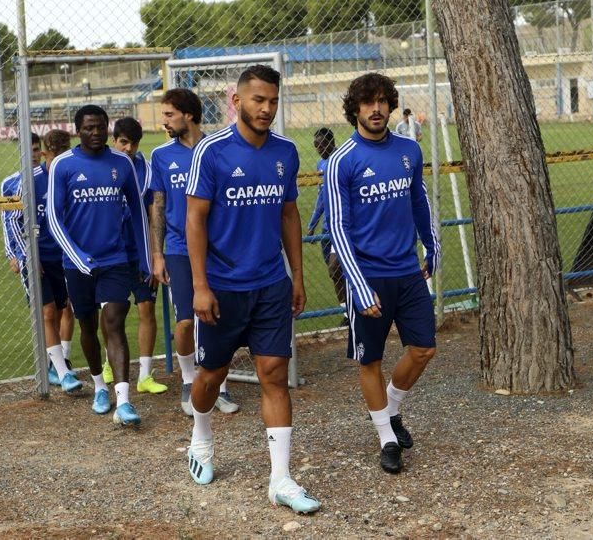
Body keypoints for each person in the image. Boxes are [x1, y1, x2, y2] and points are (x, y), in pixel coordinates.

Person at [184, 65, 320, 513]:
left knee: (274, 374)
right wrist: (200, 286)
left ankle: (280, 479)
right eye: (258, 100)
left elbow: (288, 214)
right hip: (222, 290)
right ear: (237, 101)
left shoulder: (285, 152)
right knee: (212, 376)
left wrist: (297, 275)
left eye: (273, 101)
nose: (266, 109)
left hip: (270, 285)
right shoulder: (212, 151)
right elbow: (195, 219)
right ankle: (201, 437)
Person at [327, 73, 440, 474]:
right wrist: (357, 286)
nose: (376, 109)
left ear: (391, 105)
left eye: (382, 101)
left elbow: (419, 202)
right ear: (355, 109)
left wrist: (433, 244)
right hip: (367, 276)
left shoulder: (409, 150)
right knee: (369, 360)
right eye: (367, 102)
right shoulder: (343, 160)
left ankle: (392, 408)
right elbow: (337, 229)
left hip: (408, 271)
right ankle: (386, 439)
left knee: (424, 348)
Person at [47, 104, 152, 426]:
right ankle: (98, 386)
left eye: (100, 127)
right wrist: (78, 258)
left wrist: (146, 260)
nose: (95, 133)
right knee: (88, 327)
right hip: (76, 264)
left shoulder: (122, 163)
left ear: (107, 127)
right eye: (88, 128)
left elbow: (138, 214)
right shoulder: (63, 165)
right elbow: (54, 218)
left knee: (114, 321)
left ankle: (124, 401)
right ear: (78, 130)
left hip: (115, 259)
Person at [150, 88, 240, 416]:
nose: (165, 122)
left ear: (188, 114)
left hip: (218, 248)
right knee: (186, 321)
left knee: (219, 316)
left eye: (169, 114)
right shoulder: (161, 156)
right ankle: (189, 380)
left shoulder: (218, 150)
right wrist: (157, 255)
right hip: (177, 247)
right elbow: (158, 205)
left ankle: (220, 383)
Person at [0, 131, 80, 392]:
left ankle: (56, 363)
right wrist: (23, 255)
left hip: (62, 256)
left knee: (61, 310)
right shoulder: (29, 181)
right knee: (46, 312)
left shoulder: (69, 176)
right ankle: (63, 372)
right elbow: (12, 219)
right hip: (37, 258)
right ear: (46, 154)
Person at [98, 117, 168, 395]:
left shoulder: (147, 171)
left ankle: (145, 375)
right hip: (111, 254)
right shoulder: (101, 168)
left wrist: (154, 255)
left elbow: (155, 216)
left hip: (140, 254)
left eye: (134, 143)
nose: (129, 148)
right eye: (124, 142)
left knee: (146, 309)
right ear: (114, 141)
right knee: (111, 312)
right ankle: (108, 363)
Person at [306, 127, 347, 321]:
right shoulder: (321, 163)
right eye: (316, 145)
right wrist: (313, 224)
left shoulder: (342, 160)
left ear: (331, 142)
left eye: (322, 144)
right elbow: (322, 197)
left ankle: (354, 308)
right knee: (336, 274)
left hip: (342, 228)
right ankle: (348, 311)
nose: (319, 148)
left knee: (335, 268)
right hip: (326, 229)